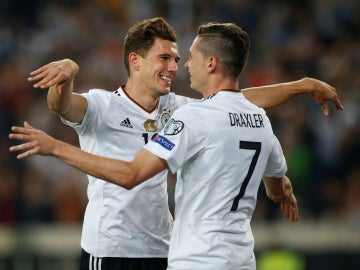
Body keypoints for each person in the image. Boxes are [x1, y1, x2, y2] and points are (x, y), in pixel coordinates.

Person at [15, 17, 342, 270]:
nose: (174, 67)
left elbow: (234, 101)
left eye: (176, 58)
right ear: (135, 60)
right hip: (112, 250)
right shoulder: (102, 106)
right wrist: (68, 72)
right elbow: (60, 104)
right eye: (164, 58)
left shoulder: (181, 109)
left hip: (163, 249)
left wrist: (300, 86)